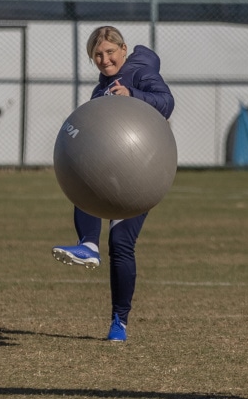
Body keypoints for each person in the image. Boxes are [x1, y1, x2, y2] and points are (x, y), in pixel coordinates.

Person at [52, 25, 175, 342]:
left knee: (121, 244)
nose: (105, 59)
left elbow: (166, 102)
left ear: (123, 49)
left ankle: (120, 321)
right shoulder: (100, 91)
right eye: (97, 55)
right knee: (85, 182)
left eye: (110, 52)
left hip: (142, 175)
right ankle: (88, 245)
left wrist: (133, 95)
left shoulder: (140, 72)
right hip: (110, 174)